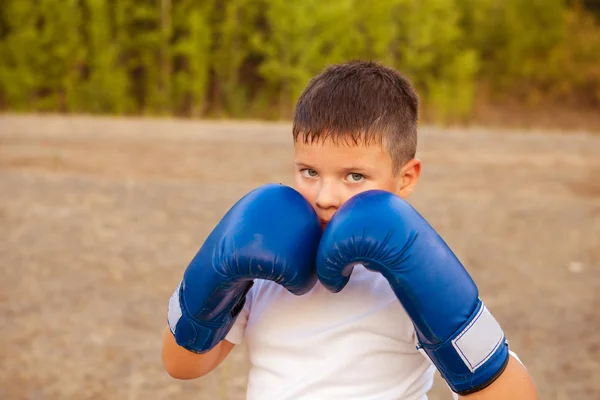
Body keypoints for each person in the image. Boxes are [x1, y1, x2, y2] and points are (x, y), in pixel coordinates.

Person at [161, 60, 539, 399]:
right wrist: (213, 275)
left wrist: (443, 305)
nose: (326, 196)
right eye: (309, 172)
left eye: (354, 176)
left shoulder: (414, 270)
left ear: (406, 178)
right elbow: (182, 365)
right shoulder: (264, 261)